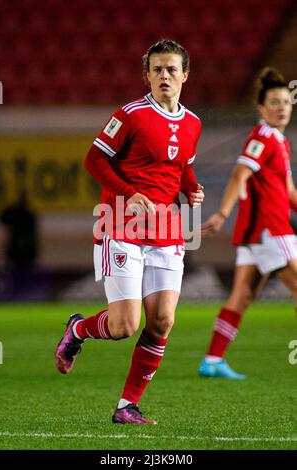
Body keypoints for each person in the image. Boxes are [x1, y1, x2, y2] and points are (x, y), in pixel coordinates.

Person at [55, 39, 204, 423]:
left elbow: (181, 165)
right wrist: (130, 193)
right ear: (147, 76)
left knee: (163, 321)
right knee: (124, 325)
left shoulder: (192, 123)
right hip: (121, 223)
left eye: (171, 69)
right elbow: (94, 160)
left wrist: (191, 187)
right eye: (156, 70)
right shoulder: (131, 115)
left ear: (185, 75)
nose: (164, 76)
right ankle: (78, 329)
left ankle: (127, 407)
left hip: (166, 230)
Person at [199, 67, 297, 379]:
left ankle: (212, 360)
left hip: (256, 234)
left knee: (241, 296)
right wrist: (223, 214)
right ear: (261, 108)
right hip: (270, 229)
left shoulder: (279, 141)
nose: (281, 107)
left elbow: (289, 190)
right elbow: (240, 174)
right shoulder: (262, 137)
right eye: (275, 102)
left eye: (286, 101)